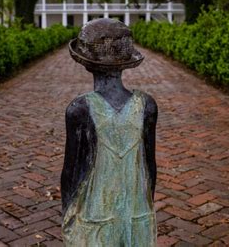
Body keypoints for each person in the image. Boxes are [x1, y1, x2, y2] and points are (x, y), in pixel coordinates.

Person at [61, 18, 158, 246]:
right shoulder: (147, 105)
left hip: (94, 216)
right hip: (136, 213)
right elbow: (150, 167)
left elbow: (71, 172)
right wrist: (145, 205)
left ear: (86, 63)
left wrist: (67, 212)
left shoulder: (79, 109)